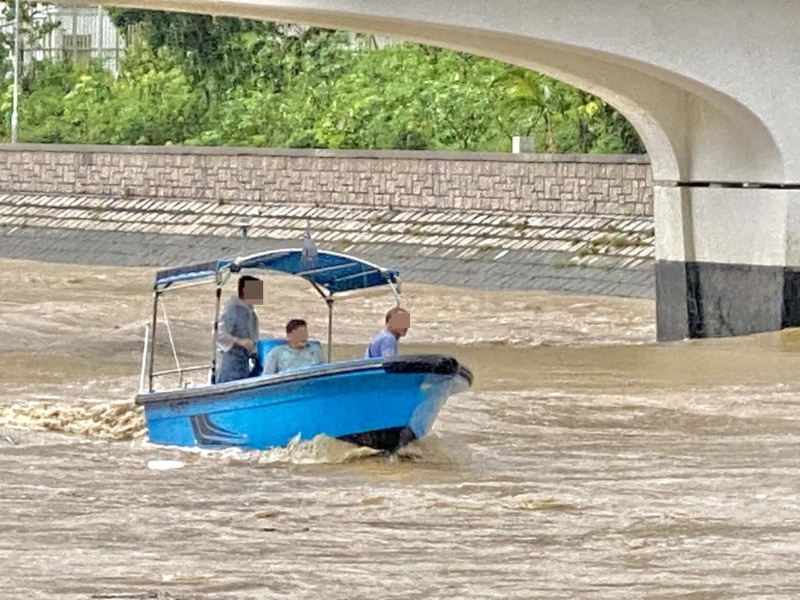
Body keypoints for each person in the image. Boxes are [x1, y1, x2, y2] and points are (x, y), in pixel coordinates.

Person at [215, 275, 263, 383]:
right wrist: (239, 341)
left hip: (244, 363)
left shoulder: (251, 313)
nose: (261, 293)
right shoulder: (233, 309)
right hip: (229, 364)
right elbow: (217, 333)